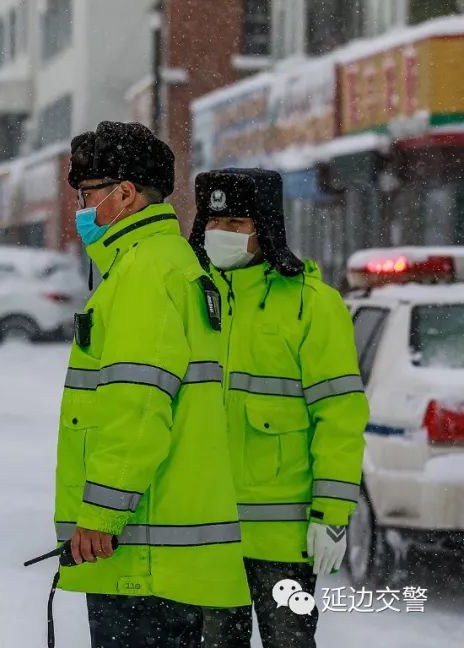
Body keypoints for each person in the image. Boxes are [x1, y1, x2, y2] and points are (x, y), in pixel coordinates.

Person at [51, 121, 250, 648]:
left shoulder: (142, 275)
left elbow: (137, 411)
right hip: (167, 556)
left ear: (124, 195)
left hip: (141, 554)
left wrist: (100, 513)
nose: (81, 210)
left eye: (88, 194)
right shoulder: (173, 266)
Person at [190, 168, 368, 648]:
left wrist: (332, 514)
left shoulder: (313, 305)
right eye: (214, 223)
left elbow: (340, 415)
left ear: (265, 227)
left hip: (284, 543)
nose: (221, 235)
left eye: (236, 225)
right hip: (205, 532)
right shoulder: (188, 298)